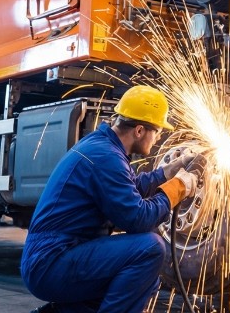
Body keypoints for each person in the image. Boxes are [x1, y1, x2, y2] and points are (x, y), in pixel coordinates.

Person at [22, 85, 200, 313]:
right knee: (150, 248)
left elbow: (127, 188)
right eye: (156, 131)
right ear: (139, 130)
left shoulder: (103, 147)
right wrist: (178, 188)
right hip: (50, 263)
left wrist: (165, 174)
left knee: (143, 279)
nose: (157, 139)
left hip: (53, 257)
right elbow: (137, 219)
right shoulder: (106, 157)